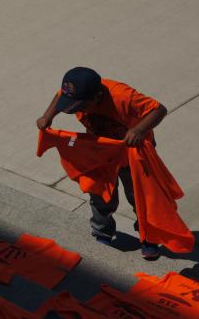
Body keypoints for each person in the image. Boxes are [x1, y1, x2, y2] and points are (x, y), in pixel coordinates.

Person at [37, 67, 167, 259]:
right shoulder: (77, 93)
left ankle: (148, 237)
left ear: (97, 97)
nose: (76, 110)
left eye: (80, 106)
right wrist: (48, 116)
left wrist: (139, 130)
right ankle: (102, 232)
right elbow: (60, 96)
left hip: (133, 154)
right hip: (101, 151)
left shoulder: (123, 96)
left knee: (140, 196)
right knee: (99, 192)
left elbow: (159, 109)